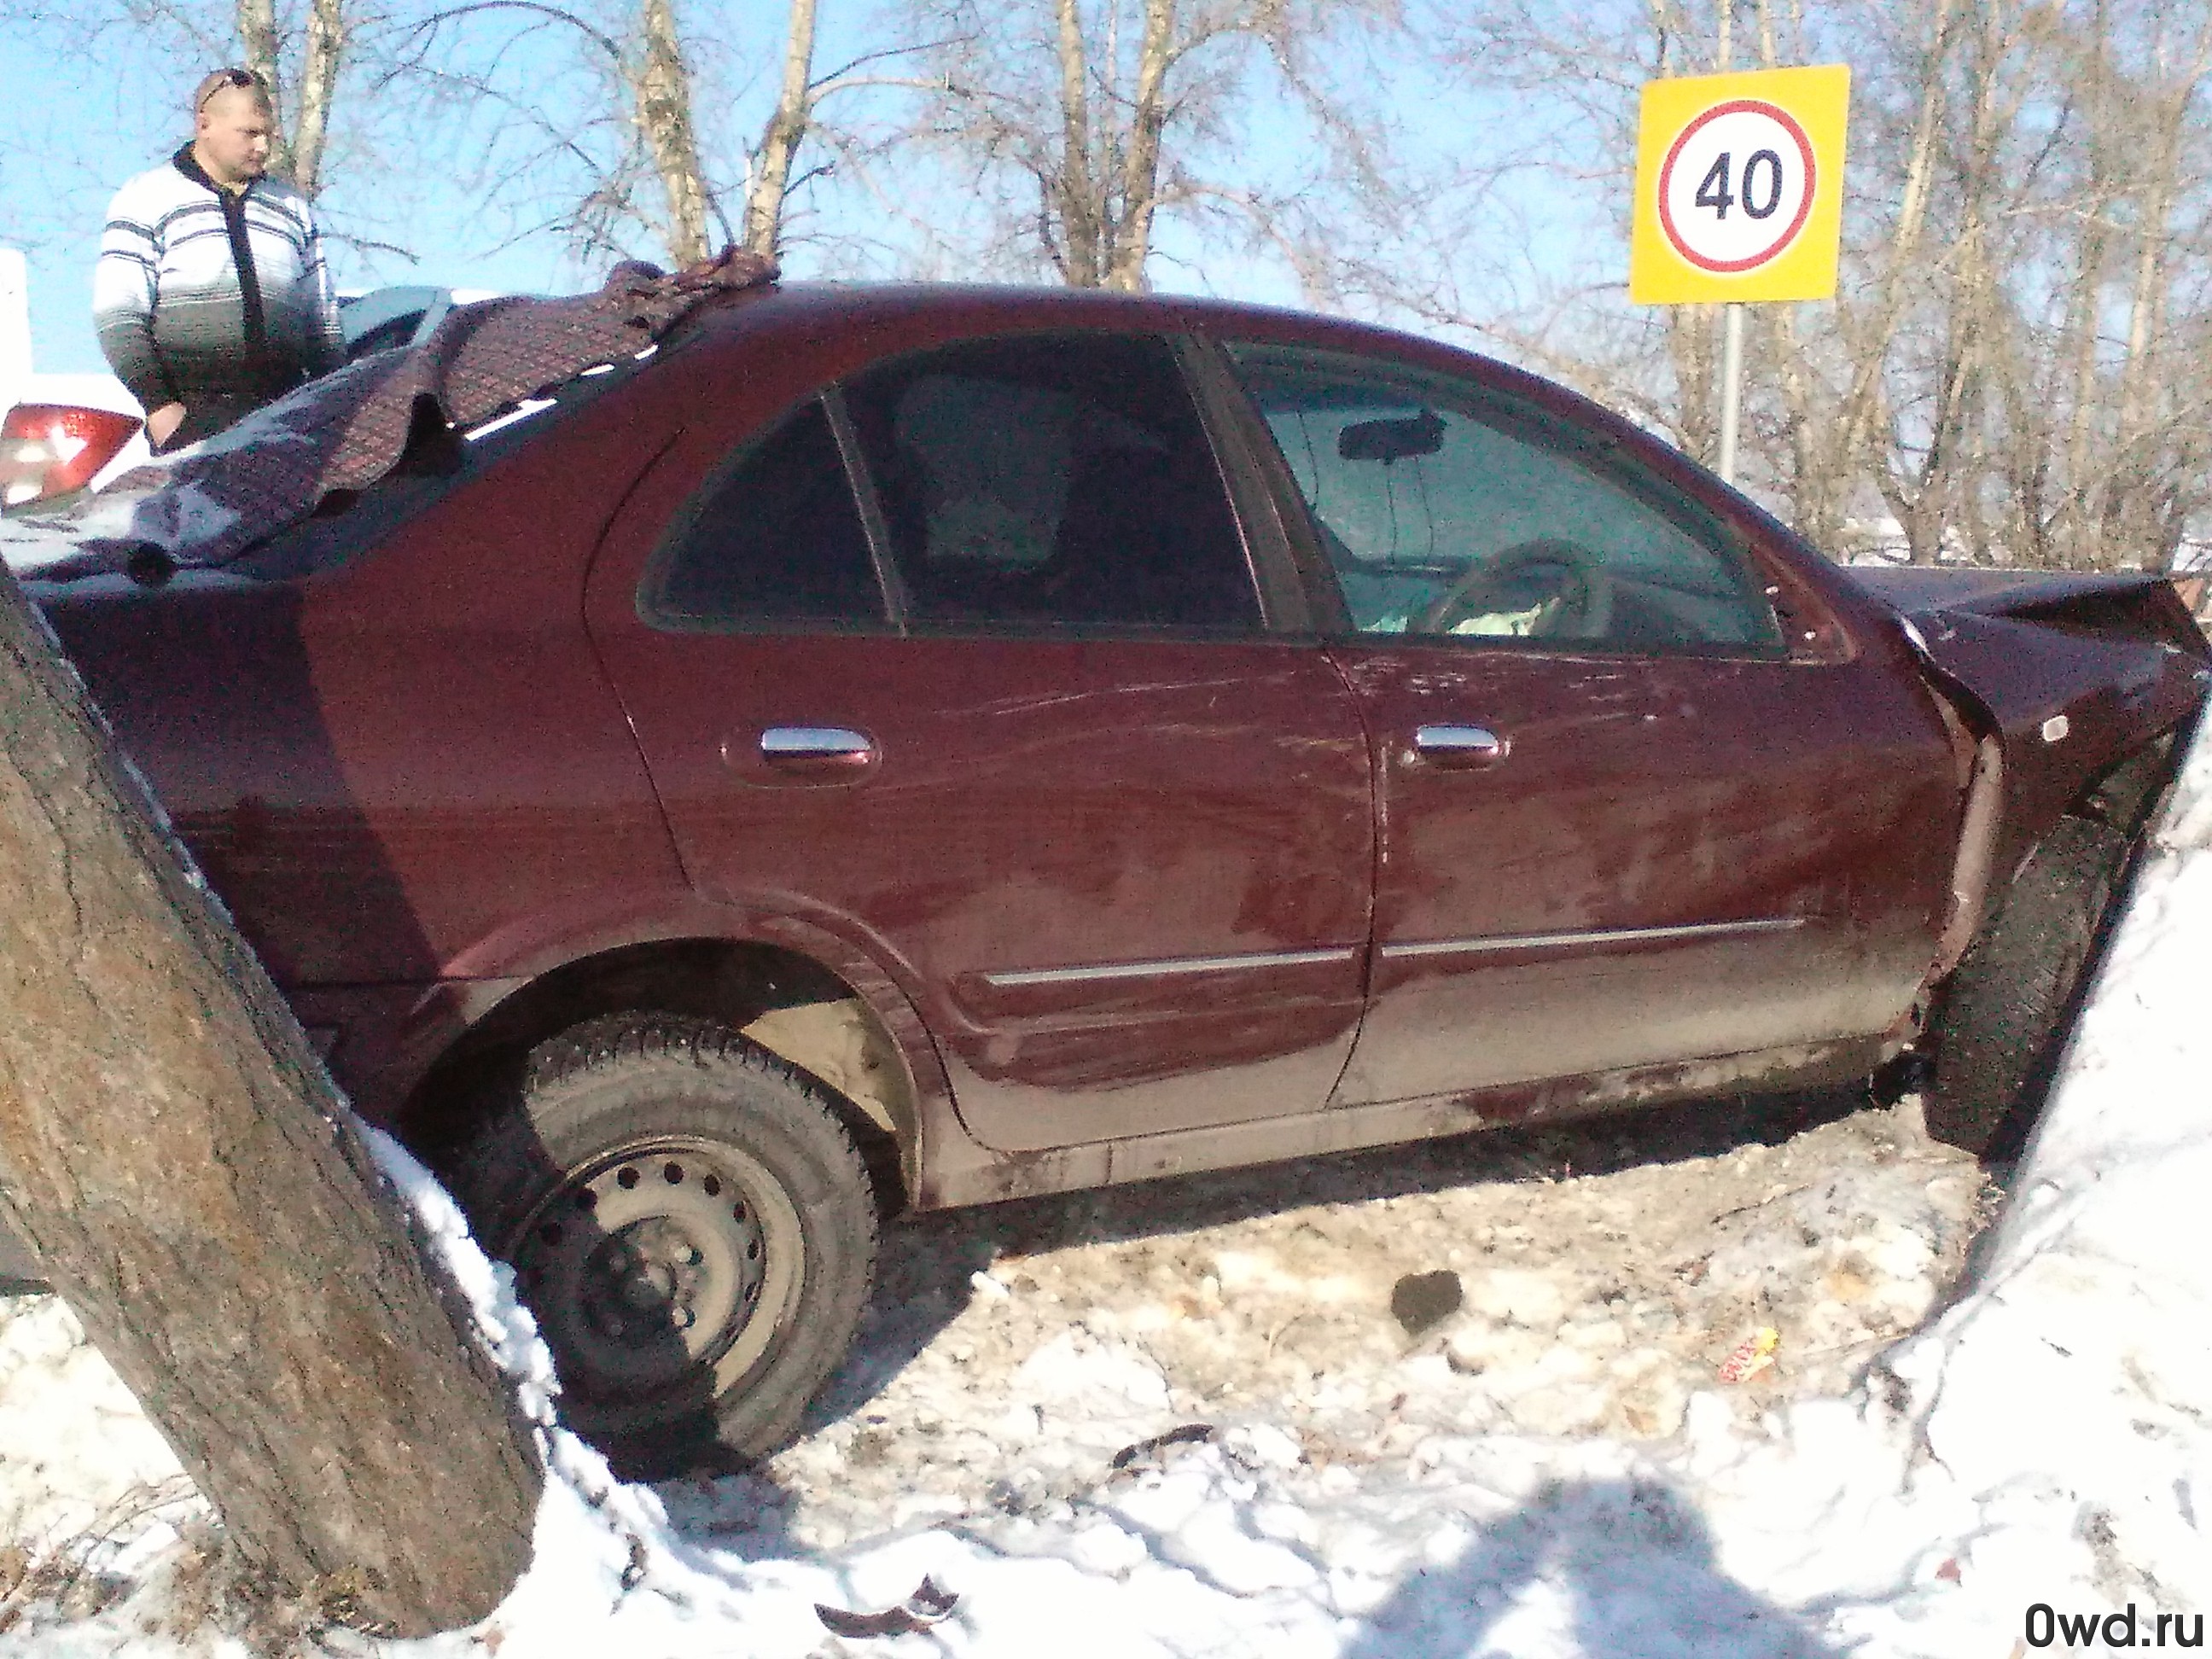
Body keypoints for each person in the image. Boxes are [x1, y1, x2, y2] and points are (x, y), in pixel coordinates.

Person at [92, 68, 345, 452]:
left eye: (268, 135)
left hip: (291, 419)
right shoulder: (146, 197)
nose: (263, 147)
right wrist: (161, 409)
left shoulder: (292, 207)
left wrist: (336, 404)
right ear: (204, 124)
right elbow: (118, 317)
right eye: (250, 133)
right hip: (194, 422)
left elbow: (322, 319)